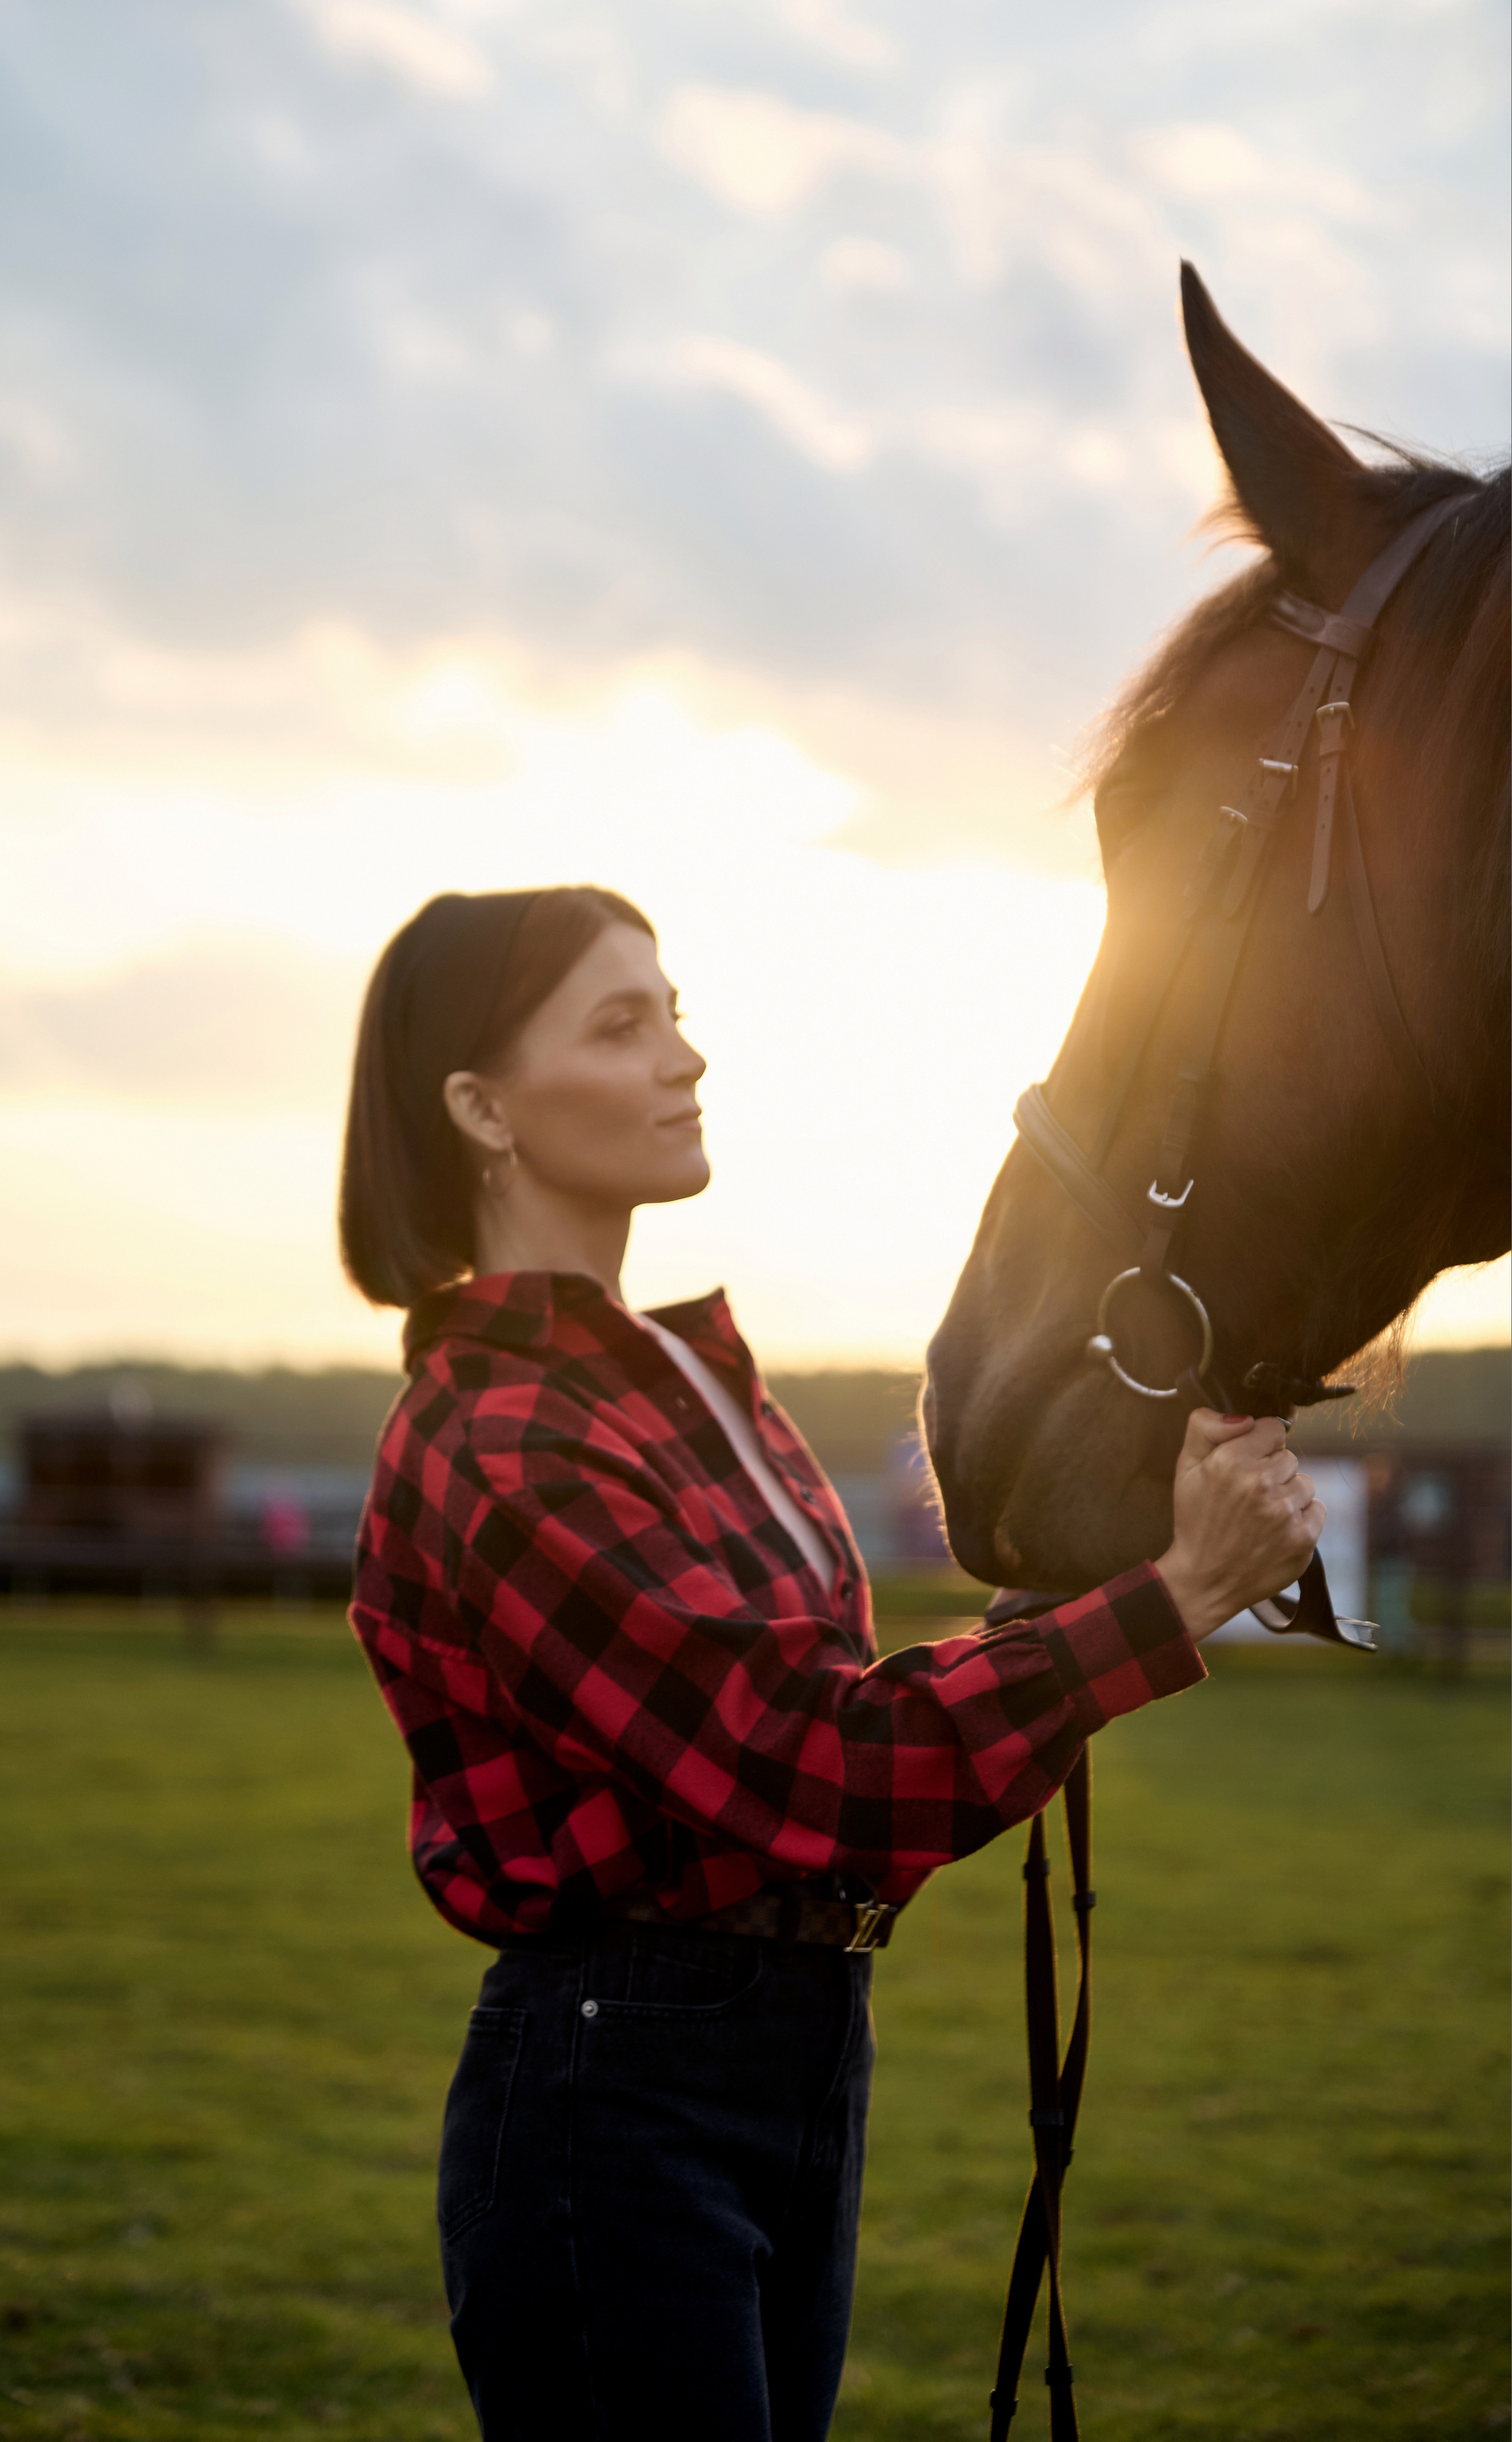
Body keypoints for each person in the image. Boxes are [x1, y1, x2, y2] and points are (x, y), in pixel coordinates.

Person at [340, 886, 1322, 2442]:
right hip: (617, 2089)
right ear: (479, 1107)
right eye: (620, 1024)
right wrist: (1175, 1595)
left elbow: (838, 1724)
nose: (685, 1056)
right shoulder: (502, 1434)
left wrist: (1135, 1530)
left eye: (672, 1008)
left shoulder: (678, 1377)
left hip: (794, 2047)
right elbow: (808, 1765)